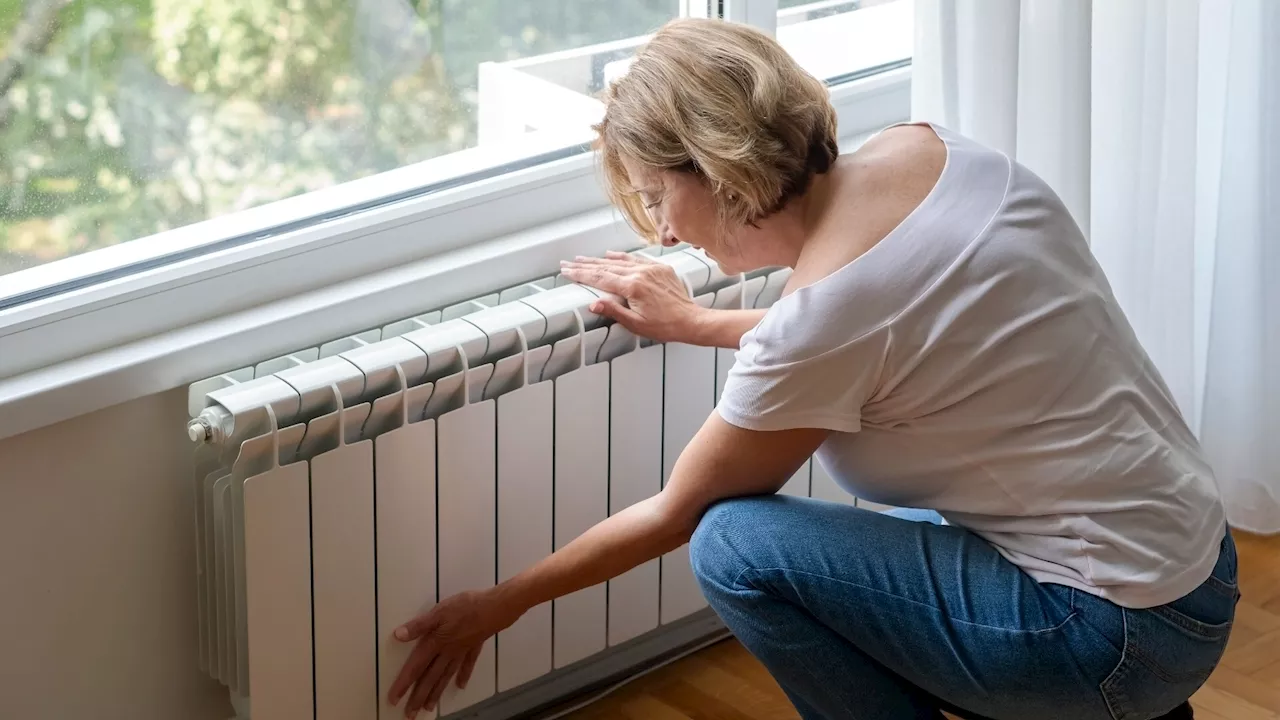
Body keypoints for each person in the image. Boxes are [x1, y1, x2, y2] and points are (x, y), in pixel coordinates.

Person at [387, 18, 1238, 720]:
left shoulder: (818, 323)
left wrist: (498, 605)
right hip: (1196, 564)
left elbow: (678, 514)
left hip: (1111, 637)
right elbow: (899, 327)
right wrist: (704, 323)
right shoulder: (937, 152)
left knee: (734, 544)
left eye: (656, 197)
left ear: (715, 165)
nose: (666, 234)